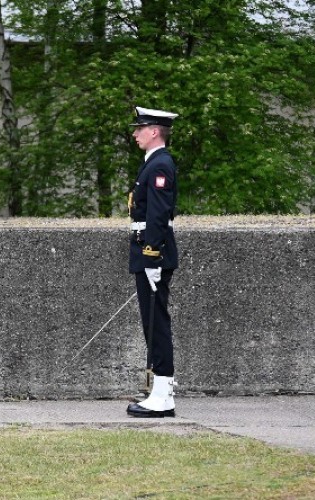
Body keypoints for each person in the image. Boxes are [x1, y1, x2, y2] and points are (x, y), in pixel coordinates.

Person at [125, 106, 179, 418]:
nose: (135, 134)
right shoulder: (153, 162)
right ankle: (158, 391)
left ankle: (163, 397)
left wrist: (152, 253)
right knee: (151, 322)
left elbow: (158, 214)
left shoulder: (160, 164)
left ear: (155, 131)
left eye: (140, 128)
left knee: (156, 324)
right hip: (147, 251)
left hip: (152, 253)